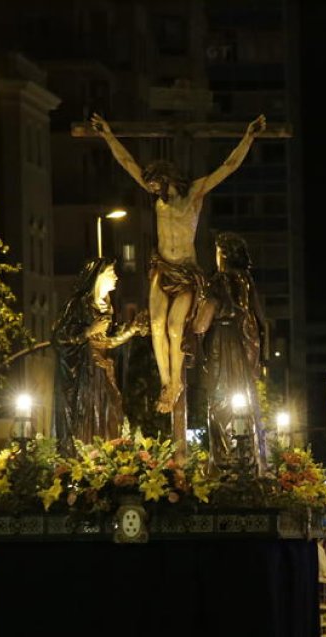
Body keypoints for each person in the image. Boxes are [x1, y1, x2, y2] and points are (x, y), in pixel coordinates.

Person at [91, 112, 266, 414]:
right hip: (162, 267)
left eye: (156, 185)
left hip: (186, 272)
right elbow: (128, 164)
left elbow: (229, 166)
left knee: (174, 327)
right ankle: (166, 383)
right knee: (157, 324)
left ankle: (177, 383)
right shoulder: (158, 199)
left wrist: (248, 137)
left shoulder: (195, 193)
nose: (154, 190)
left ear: (166, 178)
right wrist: (108, 135)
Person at [52, 257, 147, 451]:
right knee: (88, 414)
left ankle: (105, 456)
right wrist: (87, 332)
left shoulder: (106, 307)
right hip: (84, 374)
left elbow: (107, 341)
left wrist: (131, 330)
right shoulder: (78, 305)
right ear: (98, 277)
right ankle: (86, 457)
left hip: (102, 370)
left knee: (110, 413)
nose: (116, 277)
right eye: (111, 273)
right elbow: (59, 336)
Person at [197, 232, 268, 469]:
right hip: (245, 345)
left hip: (222, 344)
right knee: (246, 402)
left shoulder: (219, 282)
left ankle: (223, 461)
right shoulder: (247, 282)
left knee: (220, 403)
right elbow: (262, 320)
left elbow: (201, 323)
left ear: (223, 254)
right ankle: (251, 459)